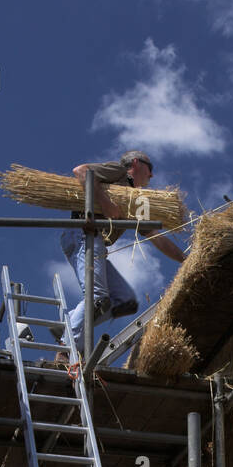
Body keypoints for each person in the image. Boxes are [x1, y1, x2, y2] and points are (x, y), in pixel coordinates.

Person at [57, 149, 185, 361]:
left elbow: (156, 237)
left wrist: (185, 259)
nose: (152, 175)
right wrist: (106, 203)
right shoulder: (118, 173)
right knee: (97, 298)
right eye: (149, 168)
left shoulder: (135, 202)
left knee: (124, 300)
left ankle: (70, 324)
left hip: (95, 242)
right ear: (135, 163)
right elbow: (81, 171)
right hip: (83, 234)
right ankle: (66, 348)